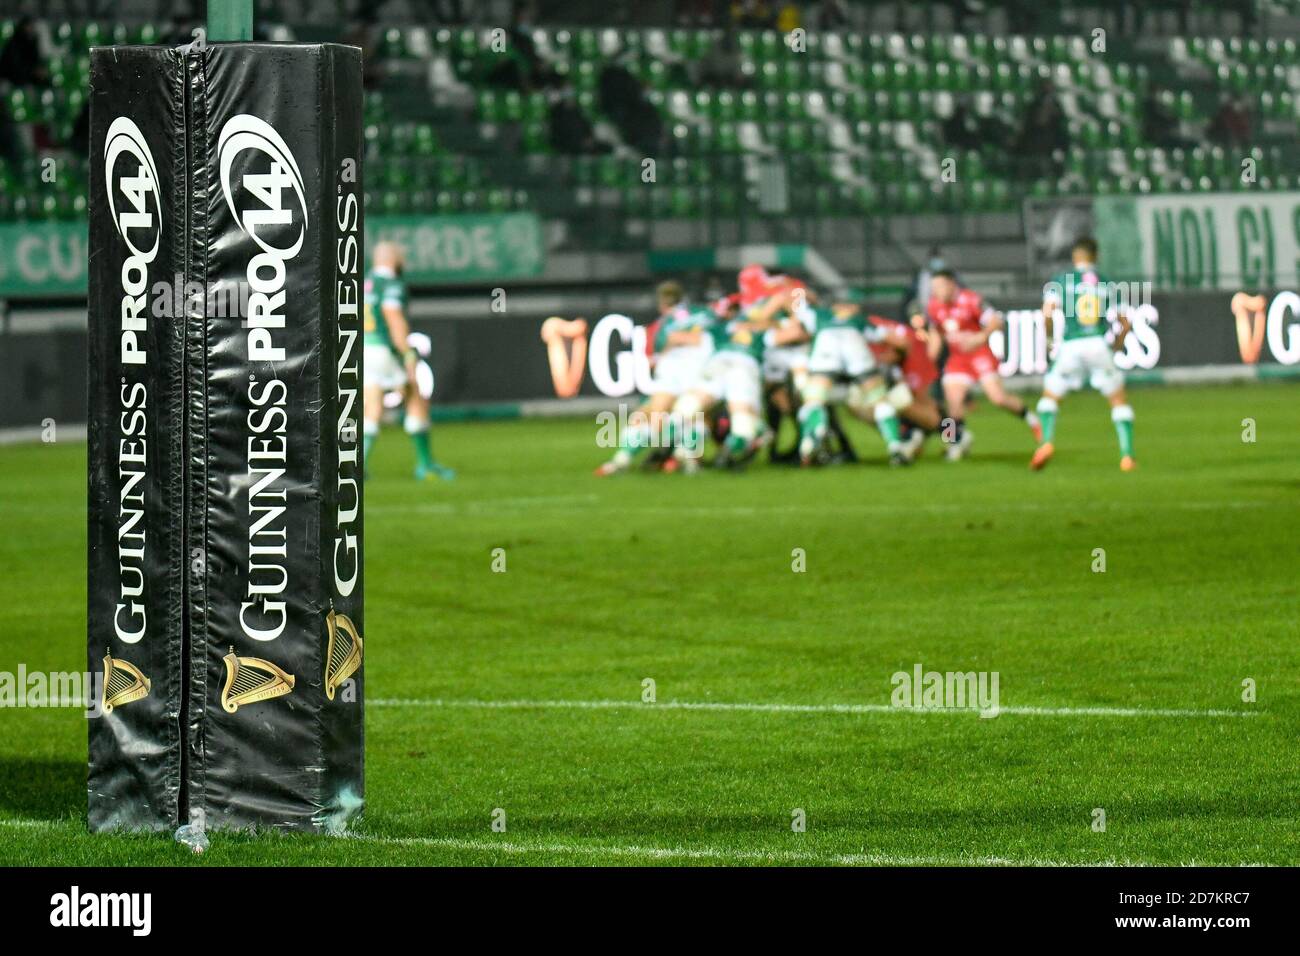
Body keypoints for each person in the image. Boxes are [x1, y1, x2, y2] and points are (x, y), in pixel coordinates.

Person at [1030, 237, 1136, 473]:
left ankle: (1046, 442)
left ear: (1074, 257)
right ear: (1096, 256)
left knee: (1050, 397)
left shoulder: (1061, 280)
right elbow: (1125, 323)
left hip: (1071, 345)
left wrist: (1049, 341)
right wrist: (1116, 346)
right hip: (1097, 343)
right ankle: (1127, 456)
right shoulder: (1106, 282)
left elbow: (1046, 314)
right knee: (1118, 401)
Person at [596, 281, 714, 475]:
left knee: (650, 416)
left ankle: (623, 459)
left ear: (662, 302)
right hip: (700, 372)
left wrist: (664, 352)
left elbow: (657, 352)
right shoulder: (705, 313)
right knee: (696, 417)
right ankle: (687, 459)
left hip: (672, 371)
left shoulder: (663, 323)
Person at [921, 272, 1041, 461]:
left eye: (940, 286)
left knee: (998, 399)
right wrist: (927, 362)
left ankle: (1032, 419)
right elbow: (936, 335)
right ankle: (953, 443)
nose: (937, 291)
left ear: (952, 284)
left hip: (980, 355)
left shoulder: (971, 300)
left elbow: (996, 322)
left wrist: (980, 336)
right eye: (934, 287)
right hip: (958, 359)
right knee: (953, 404)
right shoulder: (934, 306)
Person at [362, 241, 455, 481]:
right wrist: (408, 353)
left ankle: (357, 466)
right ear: (393, 259)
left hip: (365, 349)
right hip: (385, 350)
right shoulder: (392, 284)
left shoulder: (365, 282)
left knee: (372, 408)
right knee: (415, 398)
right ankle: (425, 464)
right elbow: (394, 318)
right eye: (401, 256)